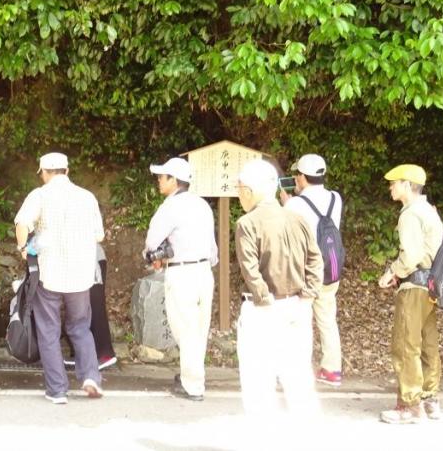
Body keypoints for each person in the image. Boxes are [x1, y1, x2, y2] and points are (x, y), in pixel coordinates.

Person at [14, 152, 105, 404]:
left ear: (44, 172)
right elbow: (99, 235)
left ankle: (57, 390)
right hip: (81, 275)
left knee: (48, 330)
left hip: (50, 274)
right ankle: (90, 378)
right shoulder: (87, 197)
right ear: (67, 170)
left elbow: (22, 223)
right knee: (80, 327)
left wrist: (24, 249)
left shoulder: (40, 195)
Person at [234, 159, 322, 416]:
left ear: (248, 191)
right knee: (298, 379)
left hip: (263, 309)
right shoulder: (297, 218)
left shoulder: (247, 224)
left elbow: (250, 270)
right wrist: (308, 295)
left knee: (258, 381)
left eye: (239, 188)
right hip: (297, 306)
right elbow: (315, 258)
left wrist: (264, 300)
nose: (239, 194)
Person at [143, 157, 217, 402]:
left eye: (162, 177)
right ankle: (192, 375)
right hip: (204, 271)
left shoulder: (170, 206)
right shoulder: (202, 205)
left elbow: (153, 241)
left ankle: (193, 385)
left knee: (184, 328)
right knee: (199, 327)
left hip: (182, 271)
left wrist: (150, 255)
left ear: (173, 180)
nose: (159, 181)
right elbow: (213, 247)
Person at [378, 164, 443, 424]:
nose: (391, 187)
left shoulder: (410, 214)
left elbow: (412, 256)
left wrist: (392, 272)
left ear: (407, 185)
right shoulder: (428, 211)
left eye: (394, 183)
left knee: (406, 346)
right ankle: (430, 400)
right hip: (430, 286)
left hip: (414, 286)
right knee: (428, 344)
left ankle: (410, 405)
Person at [281, 153, 345, 387]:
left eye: (297, 175)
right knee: (327, 318)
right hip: (331, 267)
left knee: (300, 319)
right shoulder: (336, 199)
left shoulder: (295, 204)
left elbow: (288, 230)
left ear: (302, 177)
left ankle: (298, 369)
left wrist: (287, 202)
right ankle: (332, 369)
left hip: (307, 269)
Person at [64, 243, 117, 371]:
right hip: (78, 260)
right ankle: (83, 355)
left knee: (94, 307)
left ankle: (105, 355)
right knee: (77, 308)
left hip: (91, 260)